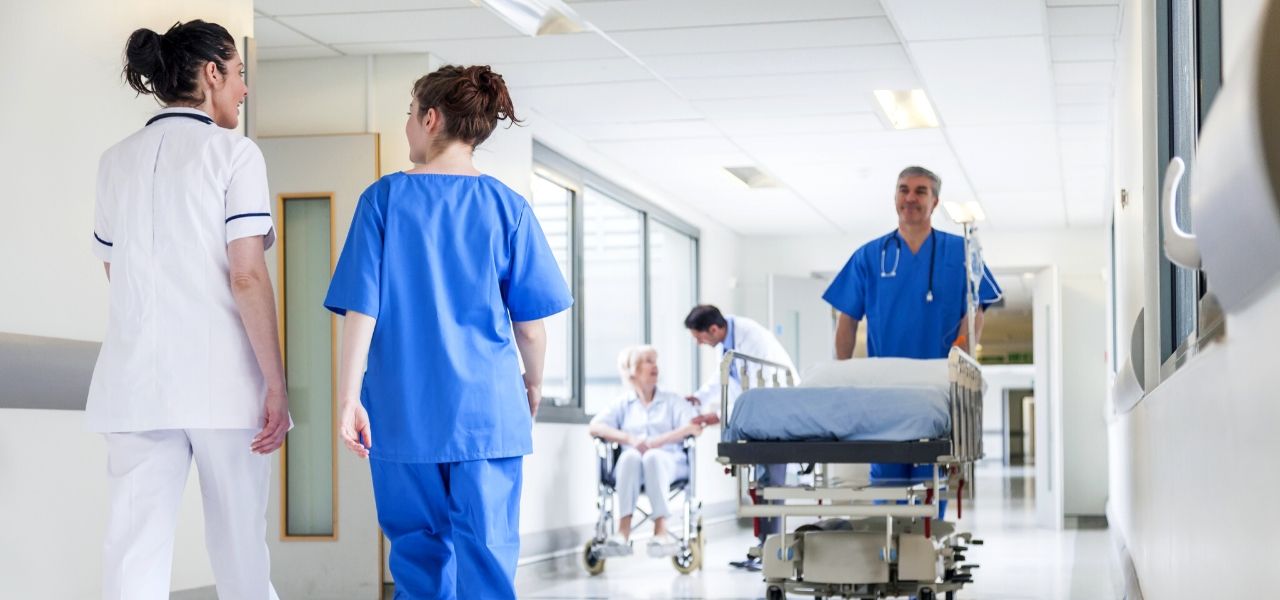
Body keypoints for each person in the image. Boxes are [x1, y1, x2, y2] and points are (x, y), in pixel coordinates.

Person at [324, 65, 572, 600]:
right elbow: (530, 329)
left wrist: (348, 398)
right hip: (487, 414)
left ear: (430, 118)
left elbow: (361, 310)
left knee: (417, 551)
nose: (409, 128)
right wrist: (531, 385)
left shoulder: (383, 200)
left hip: (402, 411)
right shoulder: (509, 208)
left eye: (410, 115)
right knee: (486, 552)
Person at [87, 20, 287, 600]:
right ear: (212, 73)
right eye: (240, 74)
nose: (244, 90)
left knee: (133, 552)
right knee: (241, 551)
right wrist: (275, 382)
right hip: (222, 382)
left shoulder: (114, 160)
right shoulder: (235, 155)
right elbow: (246, 273)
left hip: (134, 384)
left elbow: (113, 269)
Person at [822, 165, 1001, 500]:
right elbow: (846, 320)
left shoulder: (961, 252)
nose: (911, 198)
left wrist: (958, 355)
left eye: (921, 191)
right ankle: (889, 549)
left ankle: (927, 549)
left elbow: (976, 309)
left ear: (935, 202)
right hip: (885, 391)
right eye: (904, 190)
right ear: (894, 199)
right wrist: (841, 374)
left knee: (930, 482)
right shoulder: (870, 256)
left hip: (936, 388)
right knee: (886, 485)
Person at [683, 304, 797, 570]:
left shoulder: (753, 340)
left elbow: (758, 389)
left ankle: (773, 551)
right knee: (759, 487)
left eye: (699, 338)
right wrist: (700, 398)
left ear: (713, 329)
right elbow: (725, 377)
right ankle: (761, 548)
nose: (699, 344)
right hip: (758, 422)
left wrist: (721, 418)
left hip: (776, 416)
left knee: (772, 486)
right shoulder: (727, 340)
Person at [588, 346, 706, 557]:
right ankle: (622, 531)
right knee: (630, 456)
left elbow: (694, 426)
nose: (655, 365)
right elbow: (595, 427)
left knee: (652, 456)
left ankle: (660, 530)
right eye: (648, 361)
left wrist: (657, 441)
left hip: (668, 463)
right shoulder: (624, 403)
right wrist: (630, 439)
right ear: (632, 370)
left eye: (655, 360)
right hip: (630, 469)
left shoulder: (672, 401)